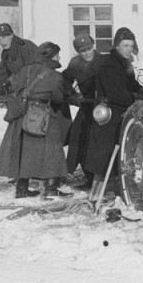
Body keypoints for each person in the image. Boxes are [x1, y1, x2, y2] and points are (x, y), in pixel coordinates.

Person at [0, 42, 73, 199]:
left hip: (22, 116)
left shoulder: (24, 70)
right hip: (43, 116)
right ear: (50, 57)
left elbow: (17, 89)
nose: (59, 57)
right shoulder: (55, 75)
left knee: (23, 151)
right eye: (57, 55)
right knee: (52, 151)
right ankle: (51, 189)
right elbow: (58, 98)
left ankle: (21, 189)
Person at [83, 27, 143, 199]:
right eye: (125, 45)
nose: (129, 49)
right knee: (105, 156)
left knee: (118, 154)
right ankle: (100, 193)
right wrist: (137, 97)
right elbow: (116, 93)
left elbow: (132, 84)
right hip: (110, 115)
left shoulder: (125, 64)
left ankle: (113, 190)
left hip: (121, 113)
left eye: (131, 46)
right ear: (117, 46)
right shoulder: (108, 63)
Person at [63, 34, 102, 190]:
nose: (87, 53)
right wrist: (72, 96)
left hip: (103, 107)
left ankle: (103, 178)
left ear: (94, 45)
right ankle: (88, 176)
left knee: (98, 141)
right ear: (77, 52)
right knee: (78, 137)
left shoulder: (104, 61)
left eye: (89, 49)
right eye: (82, 51)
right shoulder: (75, 63)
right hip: (86, 106)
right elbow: (66, 79)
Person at [0, 23, 38, 96]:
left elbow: (33, 72)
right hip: (25, 90)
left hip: (38, 88)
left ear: (11, 35)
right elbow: (1, 75)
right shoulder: (6, 53)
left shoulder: (25, 47)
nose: (2, 42)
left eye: (4, 37)